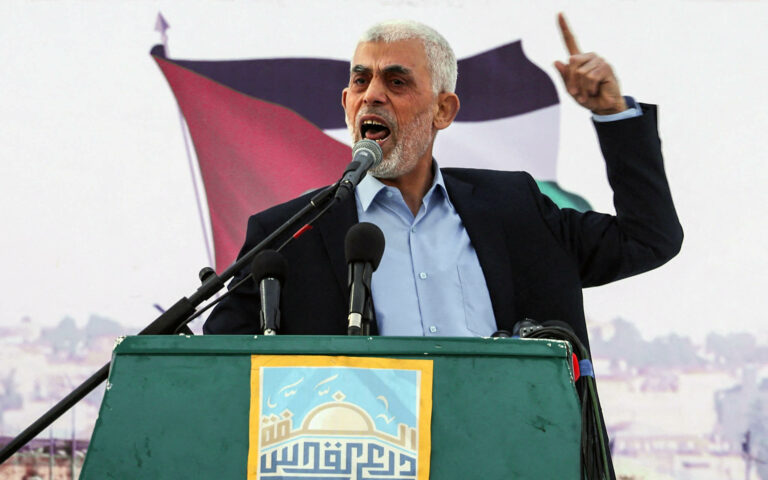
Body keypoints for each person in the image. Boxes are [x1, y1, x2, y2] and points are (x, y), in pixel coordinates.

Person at [203, 15, 682, 353]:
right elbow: (217, 368)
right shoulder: (289, 235)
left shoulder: (516, 208)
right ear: (346, 102)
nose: (373, 95)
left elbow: (648, 239)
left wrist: (613, 115)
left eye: (396, 82)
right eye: (361, 81)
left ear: (443, 110)